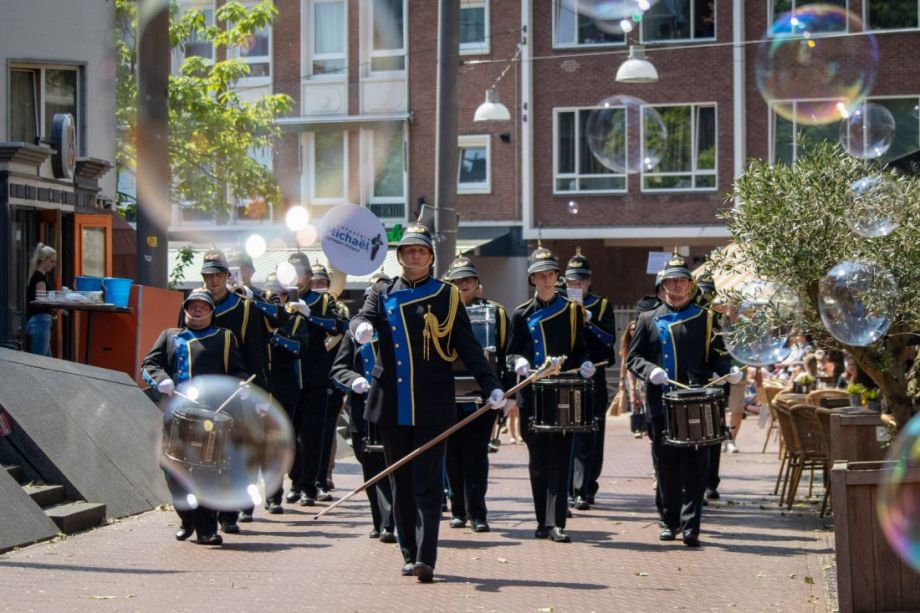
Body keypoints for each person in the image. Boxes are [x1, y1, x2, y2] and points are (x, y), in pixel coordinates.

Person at [350, 223, 505, 583]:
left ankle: (426, 556)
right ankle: (408, 552)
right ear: (400, 256)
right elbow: (362, 317)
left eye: (420, 251)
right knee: (400, 480)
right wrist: (359, 328)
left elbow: (466, 345)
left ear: (431, 257)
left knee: (428, 481)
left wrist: (491, 384)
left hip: (432, 403)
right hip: (392, 403)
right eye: (408, 251)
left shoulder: (446, 295)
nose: (414, 256)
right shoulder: (382, 292)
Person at [627, 251, 740, 547]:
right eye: (671, 281)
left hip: (696, 404)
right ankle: (668, 521)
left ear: (690, 285)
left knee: (695, 468)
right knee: (665, 466)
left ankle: (691, 527)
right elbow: (633, 357)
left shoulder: (708, 319)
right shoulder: (648, 318)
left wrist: (731, 371)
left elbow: (720, 357)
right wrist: (649, 371)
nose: (676, 286)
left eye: (681, 281)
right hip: (660, 404)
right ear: (663, 285)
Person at [142, 290, 249, 546]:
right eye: (193, 306)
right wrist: (161, 380)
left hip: (210, 417)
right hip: (176, 415)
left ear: (211, 312)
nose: (197, 311)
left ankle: (206, 529)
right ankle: (186, 517)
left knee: (205, 472)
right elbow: (148, 364)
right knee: (172, 471)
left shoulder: (224, 337)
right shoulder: (170, 336)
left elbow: (237, 370)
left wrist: (242, 385)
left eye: (203, 307)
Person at [506, 246, 592, 543]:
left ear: (557, 277)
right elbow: (510, 353)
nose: (545, 280)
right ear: (532, 279)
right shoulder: (520, 314)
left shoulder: (571, 310)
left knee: (560, 458)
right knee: (538, 460)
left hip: (563, 392)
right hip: (533, 395)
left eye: (550, 274)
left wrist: (584, 363)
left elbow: (579, 349)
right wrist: (518, 362)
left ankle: (557, 522)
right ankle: (541, 519)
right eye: (539, 275)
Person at [184, 249, 269, 532]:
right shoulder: (194, 303)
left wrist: (258, 390)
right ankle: (201, 515)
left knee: (233, 454)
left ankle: (229, 513)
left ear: (226, 277)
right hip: (201, 390)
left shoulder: (244, 308)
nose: (213, 281)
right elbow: (181, 342)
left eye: (218, 275)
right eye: (208, 276)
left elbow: (256, 351)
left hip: (236, 389)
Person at [443, 256, 513, 534]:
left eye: (468, 280)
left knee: (476, 455)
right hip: (447, 394)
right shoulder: (439, 311)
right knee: (451, 455)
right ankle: (458, 509)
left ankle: (478, 512)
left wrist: (504, 393)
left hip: (481, 396)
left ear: (478, 284)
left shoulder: (495, 313)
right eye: (458, 281)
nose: (463, 285)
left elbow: (503, 354)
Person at [330, 273, 396, 544]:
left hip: (391, 408)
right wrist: (354, 380)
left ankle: (391, 522)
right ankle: (379, 519)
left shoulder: (396, 329)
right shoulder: (354, 333)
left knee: (392, 466)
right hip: (363, 410)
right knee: (369, 466)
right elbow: (338, 369)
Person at [284, 253, 349, 506]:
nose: (296, 279)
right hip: (288, 377)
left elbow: (340, 325)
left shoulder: (322, 300)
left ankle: (309, 486)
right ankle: (296, 480)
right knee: (290, 434)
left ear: (309, 277)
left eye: (300, 274)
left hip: (316, 377)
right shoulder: (279, 299)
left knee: (313, 435)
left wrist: (310, 315)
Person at [253, 274, 311, 514]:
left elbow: (299, 348)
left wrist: (275, 336)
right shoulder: (255, 318)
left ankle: (278, 493)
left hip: (284, 389)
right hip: (258, 386)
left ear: (286, 297)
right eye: (267, 296)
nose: (273, 300)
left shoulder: (294, 320)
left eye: (277, 296)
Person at [564, 249, 616, 511]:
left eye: (581, 281)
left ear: (589, 282)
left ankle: (586, 488)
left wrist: (590, 322)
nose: (577, 286)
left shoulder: (602, 305)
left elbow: (609, 342)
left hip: (593, 375)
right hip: (568, 376)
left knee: (591, 435)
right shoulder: (559, 305)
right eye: (573, 282)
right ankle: (568, 488)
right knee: (565, 434)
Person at [309, 262, 348, 498]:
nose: (319, 286)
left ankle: (324, 475)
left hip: (332, 377)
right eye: (314, 283)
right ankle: (307, 478)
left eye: (322, 282)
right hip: (309, 376)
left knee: (327, 430)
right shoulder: (301, 306)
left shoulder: (339, 309)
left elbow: (344, 342)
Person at [25, 243, 57, 356]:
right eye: (51, 261)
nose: (53, 265)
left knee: (47, 361)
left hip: (39, 321)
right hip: (41, 321)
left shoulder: (36, 276)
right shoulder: (40, 279)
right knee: (40, 361)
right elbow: (41, 301)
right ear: (44, 260)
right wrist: (57, 302)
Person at [618, 320, 646, 438]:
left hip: (642, 374)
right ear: (628, 331)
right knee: (633, 399)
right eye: (631, 329)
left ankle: (645, 427)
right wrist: (621, 379)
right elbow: (624, 362)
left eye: (635, 329)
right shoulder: (627, 344)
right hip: (631, 375)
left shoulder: (643, 342)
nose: (633, 331)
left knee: (644, 400)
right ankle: (636, 428)